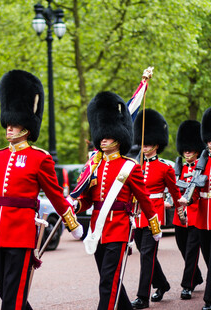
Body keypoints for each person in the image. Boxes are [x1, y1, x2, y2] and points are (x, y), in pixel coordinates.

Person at [0, 70, 83, 310]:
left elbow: (56, 194)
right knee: (7, 293)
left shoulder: (39, 158)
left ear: (26, 126)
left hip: (22, 236)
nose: (9, 129)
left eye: (14, 124)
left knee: (12, 299)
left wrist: (72, 223)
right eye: (8, 124)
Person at [73, 92, 162, 310]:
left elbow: (144, 198)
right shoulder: (93, 165)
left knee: (107, 282)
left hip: (119, 227)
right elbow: (86, 199)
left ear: (118, 137)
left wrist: (154, 225)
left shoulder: (130, 166)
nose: (103, 138)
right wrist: (76, 205)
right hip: (97, 228)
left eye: (108, 135)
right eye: (101, 135)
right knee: (110, 279)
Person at [131, 109, 183, 309]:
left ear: (156, 145)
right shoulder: (135, 166)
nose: (145, 147)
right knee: (146, 253)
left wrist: (179, 209)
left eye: (148, 144)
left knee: (146, 254)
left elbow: (175, 192)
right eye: (143, 144)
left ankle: (142, 297)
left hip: (154, 215)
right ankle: (162, 284)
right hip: (137, 215)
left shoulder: (164, 168)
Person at [179, 105, 211, 310]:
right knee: (208, 256)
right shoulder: (202, 161)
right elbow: (197, 187)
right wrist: (187, 199)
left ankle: (210, 299)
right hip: (202, 216)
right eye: (208, 140)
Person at [173, 120, 205, 300]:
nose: (187, 153)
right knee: (183, 248)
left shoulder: (203, 167)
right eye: (185, 150)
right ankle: (197, 276)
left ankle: (187, 285)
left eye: (190, 150)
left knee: (192, 250)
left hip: (196, 214)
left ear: (197, 151)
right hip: (180, 216)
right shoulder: (179, 167)